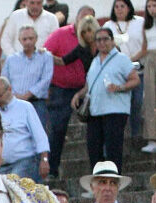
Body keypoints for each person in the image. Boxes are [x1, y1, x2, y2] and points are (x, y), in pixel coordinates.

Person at [71, 25, 138, 173]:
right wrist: (78, 94)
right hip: (95, 112)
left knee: (113, 150)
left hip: (115, 111)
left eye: (105, 39)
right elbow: (90, 85)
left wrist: (119, 87)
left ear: (112, 41)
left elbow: (135, 80)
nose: (102, 43)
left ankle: (114, 180)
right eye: (98, 40)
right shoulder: (95, 61)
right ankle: (98, 181)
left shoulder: (121, 59)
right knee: (94, 150)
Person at [44, 7, 98, 178]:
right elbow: (62, 61)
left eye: (89, 21)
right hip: (63, 89)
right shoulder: (65, 37)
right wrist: (44, 54)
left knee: (97, 129)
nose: (86, 25)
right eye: (83, 19)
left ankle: (101, 170)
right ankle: (53, 170)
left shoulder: (102, 42)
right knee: (58, 127)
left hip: (92, 89)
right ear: (76, 18)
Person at [0, 76, 50, 181]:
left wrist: (44, 159)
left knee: (15, 187)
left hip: (24, 161)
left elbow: (39, 135)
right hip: (1, 164)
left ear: (9, 90)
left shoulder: (25, 107)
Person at [2, 25, 53, 129]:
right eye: (24, 39)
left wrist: (27, 95)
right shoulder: (11, 59)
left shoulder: (45, 57)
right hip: (14, 103)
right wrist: (14, 96)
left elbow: (46, 80)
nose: (28, 42)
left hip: (37, 103)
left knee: (38, 133)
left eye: (31, 38)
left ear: (36, 39)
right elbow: (4, 80)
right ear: (19, 40)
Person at [107, 0, 145, 141]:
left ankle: (135, 133)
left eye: (122, 6)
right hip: (118, 73)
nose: (119, 9)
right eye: (116, 7)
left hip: (137, 69)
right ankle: (119, 135)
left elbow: (145, 45)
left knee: (137, 102)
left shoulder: (139, 22)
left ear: (129, 8)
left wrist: (130, 60)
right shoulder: (108, 25)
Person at [140, 0, 156, 152]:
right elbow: (144, 49)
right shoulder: (146, 26)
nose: (152, 9)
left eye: (154, 6)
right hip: (151, 61)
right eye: (149, 7)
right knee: (151, 99)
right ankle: (152, 138)